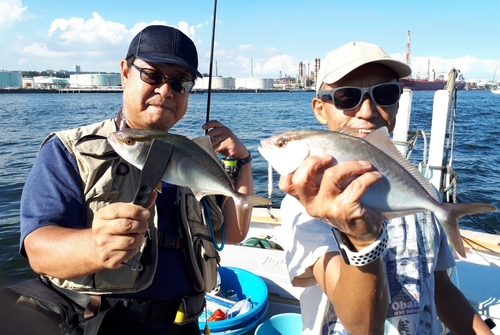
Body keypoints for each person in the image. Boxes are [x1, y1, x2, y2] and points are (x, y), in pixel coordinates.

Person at [0, 25, 255, 334]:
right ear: (124, 72)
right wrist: (94, 246)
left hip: (186, 325)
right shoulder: (70, 150)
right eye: (153, 75)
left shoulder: (192, 157)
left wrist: (241, 163)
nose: (165, 91)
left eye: (179, 82)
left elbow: (233, 231)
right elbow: (38, 248)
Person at [279, 41, 493, 335]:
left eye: (385, 94)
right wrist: (360, 238)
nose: (367, 111)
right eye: (346, 97)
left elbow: (440, 290)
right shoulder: (305, 205)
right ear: (320, 109)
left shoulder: (424, 191)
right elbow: (362, 327)